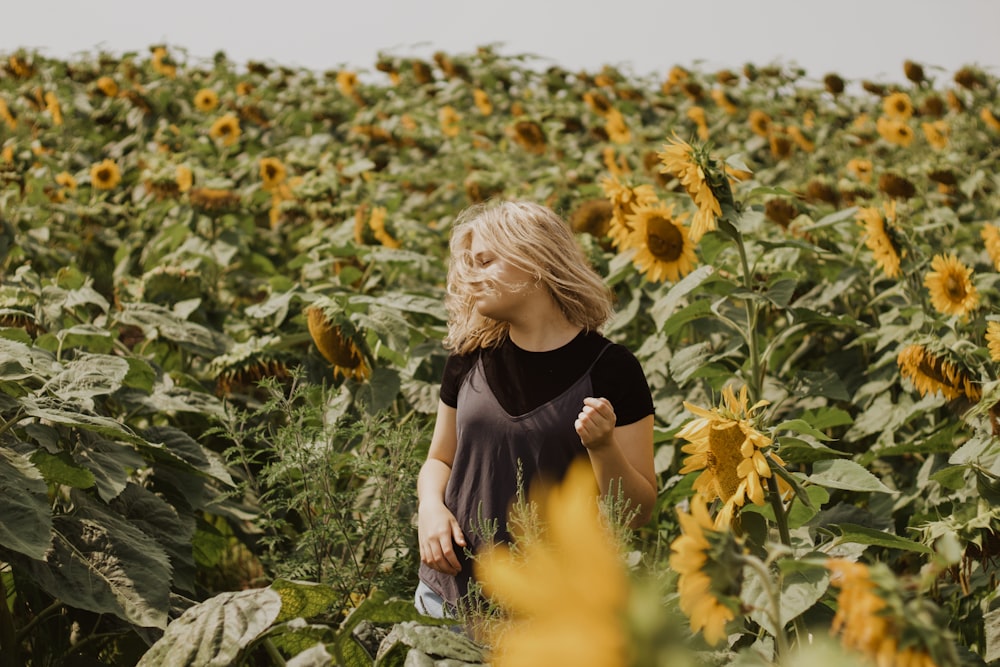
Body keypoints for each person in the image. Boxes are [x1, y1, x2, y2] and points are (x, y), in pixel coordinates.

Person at [415, 199, 657, 619]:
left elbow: (636, 514)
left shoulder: (613, 370)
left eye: (485, 261)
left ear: (535, 260)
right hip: (446, 597)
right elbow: (439, 458)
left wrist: (603, 448)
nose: (471, 276)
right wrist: (430, 510)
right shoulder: (469, 356)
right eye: (468, 264)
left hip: (551, 614)